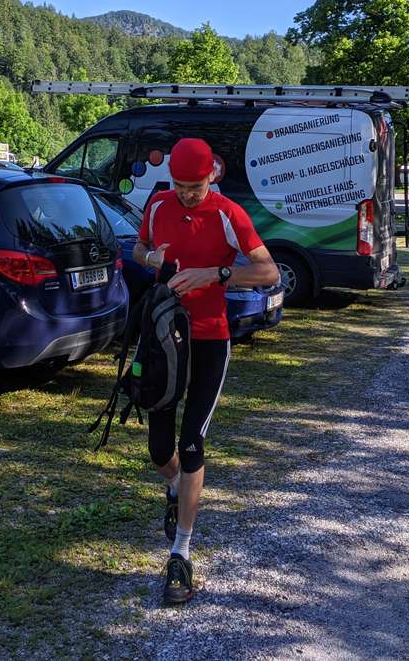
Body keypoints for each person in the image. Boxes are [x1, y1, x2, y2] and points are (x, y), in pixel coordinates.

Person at [133, 137, 280, 604]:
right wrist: (151, 259)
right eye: (180, 185)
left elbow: (270, 272)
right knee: (160, 451)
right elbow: (139, 249)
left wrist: (216, 274)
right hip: (164, 336)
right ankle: (178, 487)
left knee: (191, 442)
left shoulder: (228, 213)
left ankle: (181, 552)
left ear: (210, 177)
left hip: (210, 338)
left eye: (195, 187)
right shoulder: (158, 205)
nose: (187, 194)